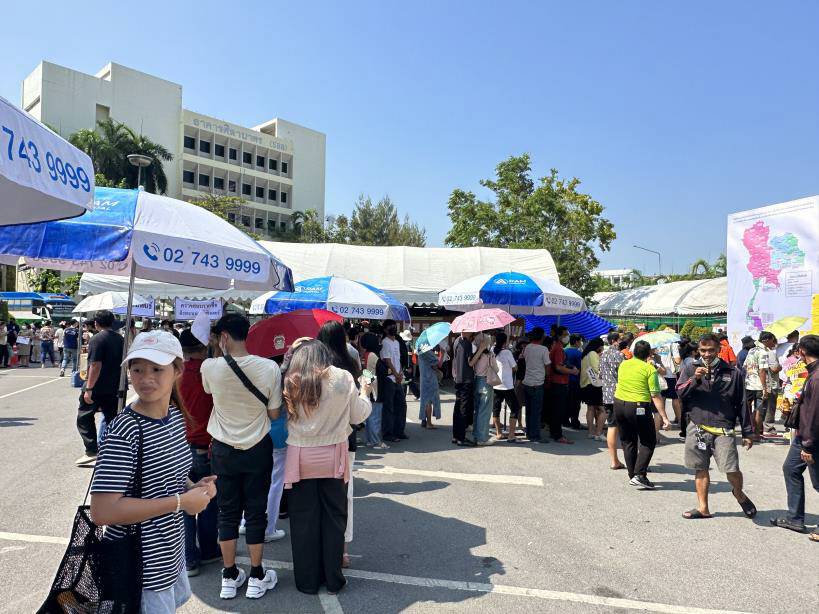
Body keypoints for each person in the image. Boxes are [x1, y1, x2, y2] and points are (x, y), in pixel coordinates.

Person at [90, 331, 216, 613]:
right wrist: (182, 503)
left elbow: (166, 475)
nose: (146, 378)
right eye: (137, 369)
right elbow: (102, 511)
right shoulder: (125, 429)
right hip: (138, 566)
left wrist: (194, 487)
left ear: (177, 370)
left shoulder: (172, 416)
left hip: (168, 554)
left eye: (157, 369)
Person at [202, 314, 281, 600]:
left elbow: (209, 390)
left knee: (227, 511)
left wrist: (216, 353)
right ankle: (257, 575)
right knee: (256, 511)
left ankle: (229, 574)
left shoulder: (209, 367)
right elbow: (274, 413)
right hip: (258, 447)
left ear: (223, 336)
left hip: (222, 450)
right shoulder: (270, 367)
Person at [283, 340, 371, 594]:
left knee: (303, 520)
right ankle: (333, 578)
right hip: (335, 455)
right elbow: (358, 415)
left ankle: (307, 581)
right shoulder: (343, 377)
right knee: (334, 519)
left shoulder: (292, 378)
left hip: (299, 456)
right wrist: (365, 391)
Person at [677, 334, 757, 519]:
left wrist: (747, 432)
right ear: (698, 350)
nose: (706, 354)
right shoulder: (690, 368)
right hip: (697, 427)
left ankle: (738, 493)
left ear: (719, 350)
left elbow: (742, 403)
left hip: (724, 429)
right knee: (700, 467)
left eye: (711, 350)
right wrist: (694, 380)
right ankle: (703, 508)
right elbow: (680, 393)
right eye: (703, 351)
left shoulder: (733, 372)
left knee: (731, 469)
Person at [317, 320, 364, 569]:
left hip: (312, 443)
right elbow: (356, 414)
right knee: (344, 498)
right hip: (345, 440)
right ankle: (342, 551)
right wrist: (366, 392)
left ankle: (319, 548)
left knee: (317, 499)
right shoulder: (350, 367)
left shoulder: (312, 368)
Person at [178, 330, 221, 578]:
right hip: (206, 445)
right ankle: (207, 549)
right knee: (207, 498)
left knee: (183, 501)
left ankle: (188, 557)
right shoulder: (210, 372)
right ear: (203, 347)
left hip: (179, 446)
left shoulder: (174, 374)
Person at [770, 334, 819, 541]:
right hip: (805, 435)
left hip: (811, 437)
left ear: (801, 352)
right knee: (790, 468)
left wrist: (808, 445)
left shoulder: (816, 377)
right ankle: (795, 518)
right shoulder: (812, 372)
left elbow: (815, 414)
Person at [613, 340, 671, 489]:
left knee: (628, 441)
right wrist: (664, 417)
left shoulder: (624, 364)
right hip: (638, 406)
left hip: (619, 404)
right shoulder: (649, 369)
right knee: (648, 440)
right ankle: (639, 474)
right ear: (648, 354)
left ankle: (633, 475)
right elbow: (655, 395)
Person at [75, 311, 124, 466]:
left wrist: (89, 388)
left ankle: (92, 450)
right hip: (114, 386)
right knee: (112, 420)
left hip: (97, 386)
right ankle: (114, 451)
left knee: (84, 417)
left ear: (96, 323)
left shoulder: (97, 339)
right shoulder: (120, 339)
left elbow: (95, 365)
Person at [744, 331, 782, 440]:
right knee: (759, 410)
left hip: (749, 383)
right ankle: (755, 434)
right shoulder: (763, 352)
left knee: (749, 409)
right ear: (766, 340)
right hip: (759, 385)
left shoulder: (751, 350)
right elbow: (762, 371)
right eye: (771, 340)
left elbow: (746, 366)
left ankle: (749, 431)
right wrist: (765, 388)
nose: (773, 342)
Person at [599, 332, 626, 470]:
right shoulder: (620, 355)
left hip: (606, 393)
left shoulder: (602, 355)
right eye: (619, 339)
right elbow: (625, 374)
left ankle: (614, 460)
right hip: (619, 394)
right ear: (615, 341)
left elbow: (600, 374)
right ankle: (620, 461)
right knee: (625, 427)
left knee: (611, 426)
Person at [548, 327, 577, 444]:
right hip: (559, 382)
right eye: (565, 334)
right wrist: (572, 371)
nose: (567, 336)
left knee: (555, 409)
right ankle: (557, 435)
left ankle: (554, 432)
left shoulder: (556, 347)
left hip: (556, 382)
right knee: (558, 410)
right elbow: (558, 367)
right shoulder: (558, 348)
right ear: (560, 336)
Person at [522, 328, 551, 443]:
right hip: (538, 383)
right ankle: (535, 436)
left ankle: (529, 433)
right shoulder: (544, 349)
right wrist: (547, 375)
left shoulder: (527, 347)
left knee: (529, 410)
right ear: (541, 337)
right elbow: (547, 365)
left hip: (527, 382)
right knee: (536, 411)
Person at [491, 332, 522, 443]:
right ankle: (511, 435)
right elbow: (515, 368)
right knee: (515, 408)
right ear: (505, 341)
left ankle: (499, 433)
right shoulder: (507, 353)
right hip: (507, 385)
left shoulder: (492, 351)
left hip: (495, 384)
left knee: (496, 409)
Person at [360, 332, 388, 449]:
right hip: (375, 389)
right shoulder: (373, 355)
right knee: (375, 417)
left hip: (367, 388)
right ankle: (376, 441)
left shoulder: (366, 354)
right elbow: (382, 371)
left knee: (369, 417)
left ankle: (370, 440)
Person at [379, 320, 406, 443]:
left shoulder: (397, 342)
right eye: (390, 326)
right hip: (390, 378)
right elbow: (387, 361)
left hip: (398, 378)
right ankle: (388, 433)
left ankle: (399, 431)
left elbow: (398, 359)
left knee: (401, 405)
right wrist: (396, 374)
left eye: (394, 326)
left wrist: (400, 373)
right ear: (385, 329)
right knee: (389, 407)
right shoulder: (385, 342)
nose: (393, 328)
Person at [452, 330, 477, 446]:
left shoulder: (457, 341)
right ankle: (461, 438)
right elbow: (471, 363)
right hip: (466, 378)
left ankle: (456, 436)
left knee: (457, 407)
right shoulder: (466, 343)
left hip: (458, 378)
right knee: (463, 409)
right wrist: (481, 348)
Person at [471, 332, 495, 445]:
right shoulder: (490, 355)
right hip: (486, 382)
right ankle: (482, 437)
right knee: (485, 411)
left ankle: (476, 434)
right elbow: (496, 369)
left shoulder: (475, 355)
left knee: (477, 410)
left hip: (477, 381)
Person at [580, 338, 605, 441]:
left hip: (586, 384)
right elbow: (597, 368)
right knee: (603, 410)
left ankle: (591, 431)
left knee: (590, 408)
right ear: (599, 346)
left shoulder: (585, 354)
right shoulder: (593, 354)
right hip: (594, 385)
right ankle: (598, 433)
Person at [655, 336, 682, 426]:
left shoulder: (656, 344)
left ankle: (662, 421)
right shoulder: (673, 345)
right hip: (670, 374)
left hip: (659, 373)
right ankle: (680, 421)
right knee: (675, 398)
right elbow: (678, 360)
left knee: (661, 398)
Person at [418, 345, 443, 429]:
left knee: (425, 400)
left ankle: (424, 421)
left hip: (423, 378)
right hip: (430, 378)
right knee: (429, 401)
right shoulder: (428, 352)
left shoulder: (420, 351)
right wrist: (442, 353)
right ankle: (429, 423)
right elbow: (438, 364)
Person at [564, 334, 584, 429]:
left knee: (566, 401)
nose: (581, 343)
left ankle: (565, 420)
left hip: (565, 380)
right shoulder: (579, 354)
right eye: (580, 341)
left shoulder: (564, 351)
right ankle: (575, 422)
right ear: (576, 342)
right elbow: (582, 368)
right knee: (576, 403)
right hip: (576, 381)